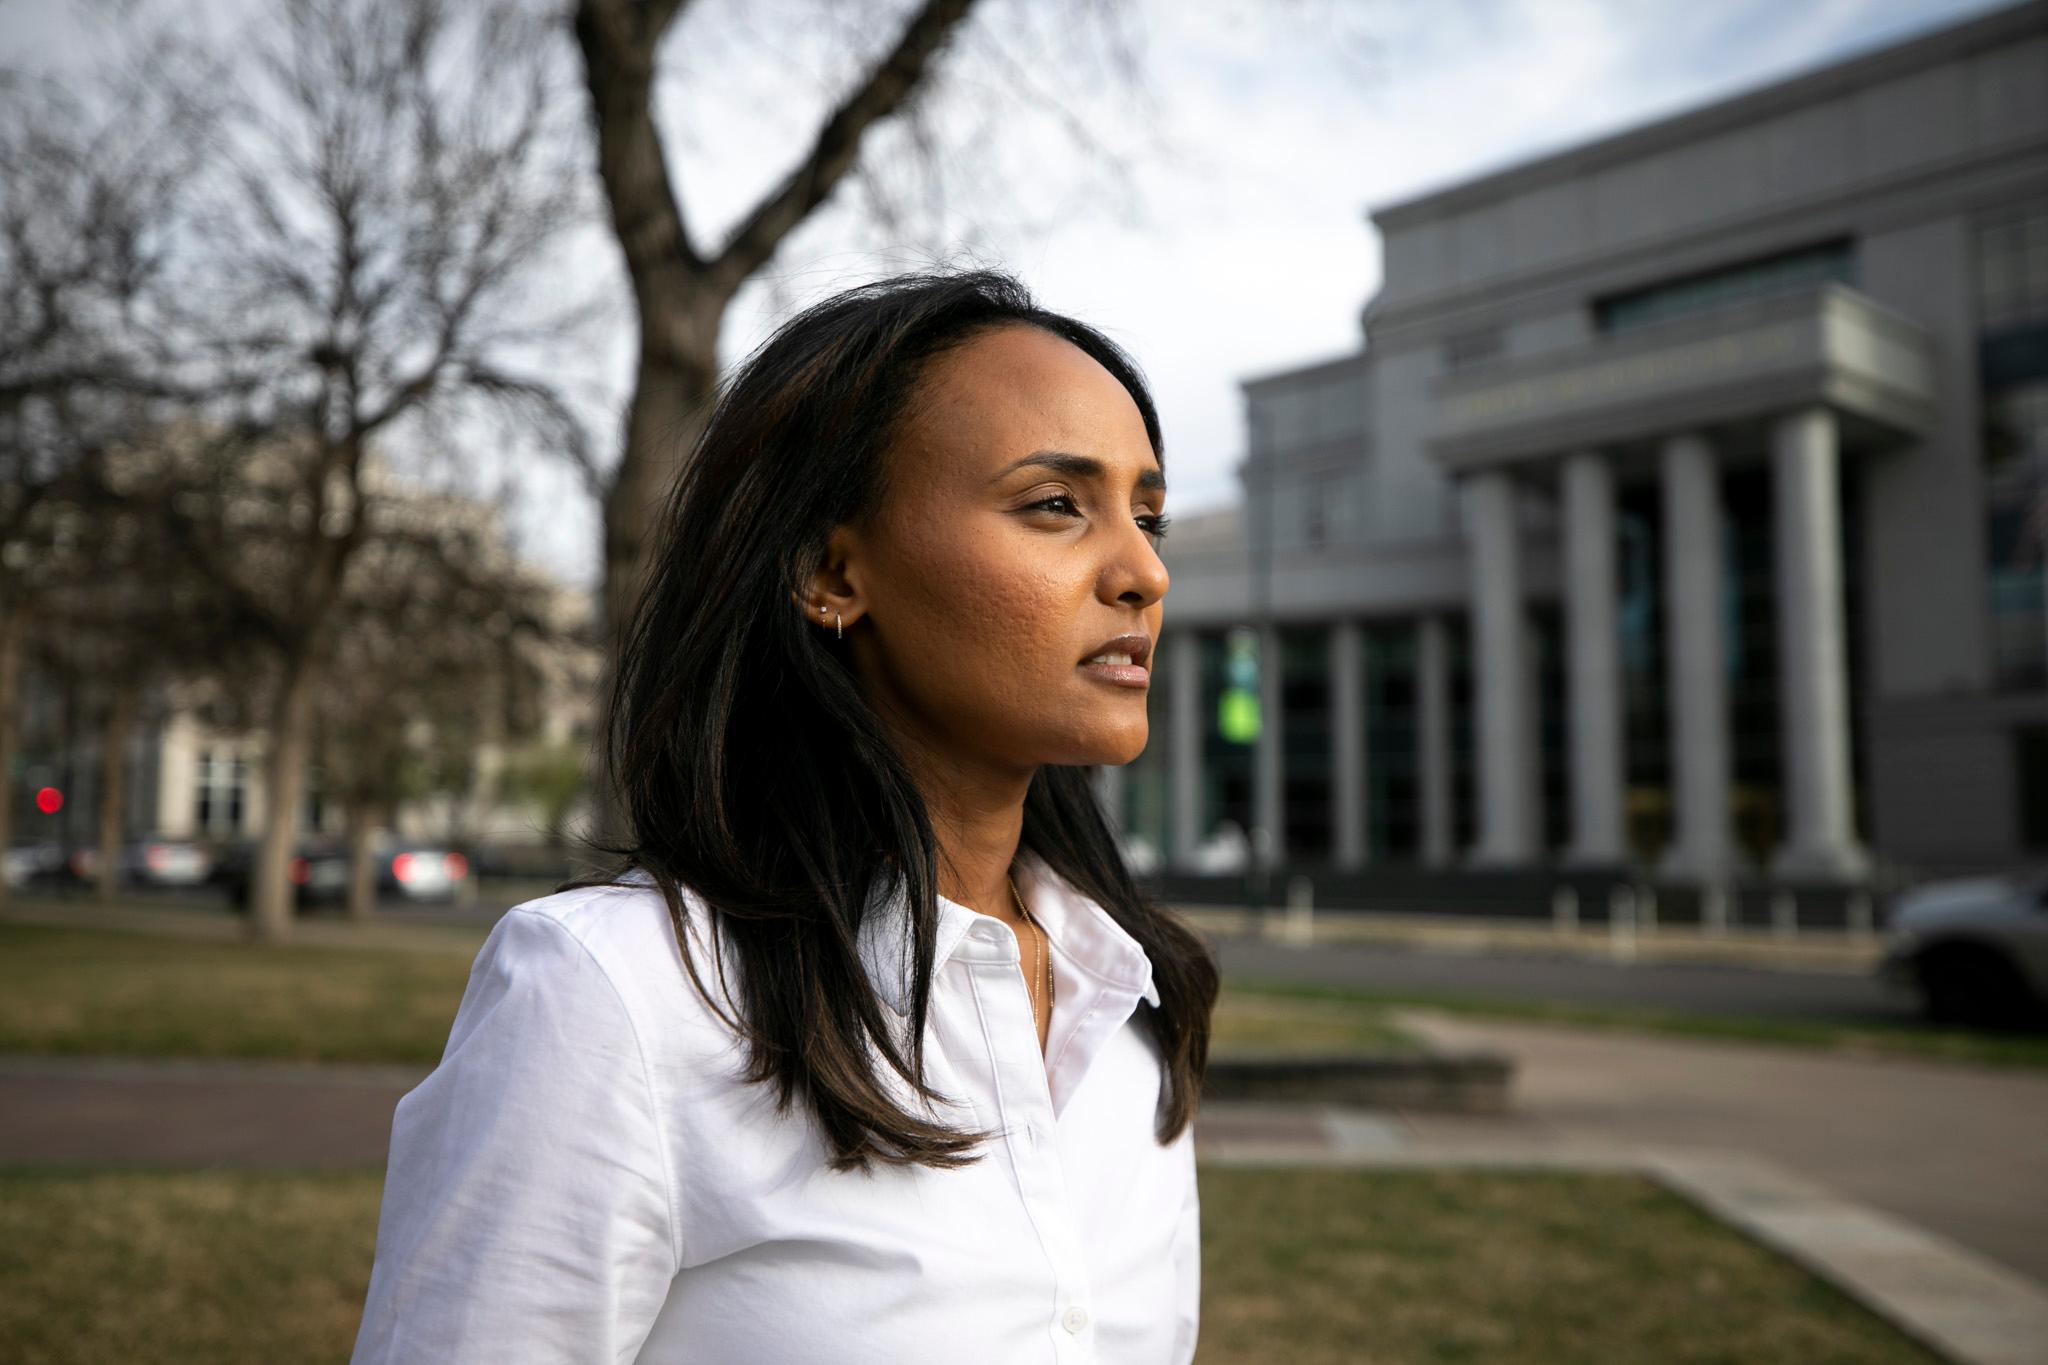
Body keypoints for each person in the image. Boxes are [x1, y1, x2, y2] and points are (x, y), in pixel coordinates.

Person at [349, 267, 1220, 1364]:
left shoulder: (1129, 1006)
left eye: (1148, 515)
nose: (1142, 570)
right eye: (1055, 504)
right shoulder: (618, 996)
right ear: (829, 569)